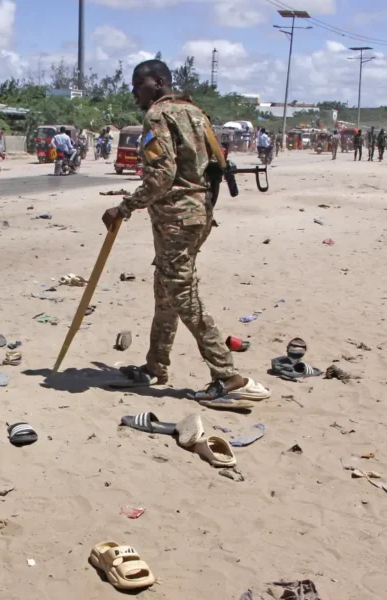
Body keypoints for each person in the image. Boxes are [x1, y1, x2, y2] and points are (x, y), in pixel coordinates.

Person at [101, 59, 270, 403]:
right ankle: (155, 366)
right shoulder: (195, 112)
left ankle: (227, 376)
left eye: (139, 85)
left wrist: (124, 207)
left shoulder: (157, 116)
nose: (135, 92)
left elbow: (161, 176)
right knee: (165, 292)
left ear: (158, 82)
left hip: (176, 218)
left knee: (182, 295)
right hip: (197, 214)